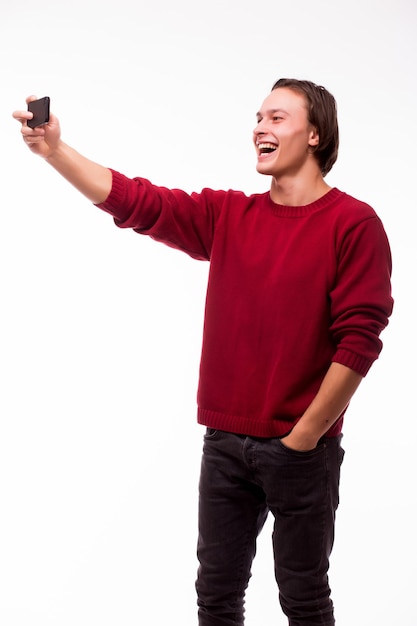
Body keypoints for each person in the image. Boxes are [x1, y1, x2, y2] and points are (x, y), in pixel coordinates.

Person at [13, 78, 393, 626]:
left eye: (278, 118)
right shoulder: (229, 216)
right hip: (225, 445)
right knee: (216, 598)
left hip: (302, 451)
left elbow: (360, 340)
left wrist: (305, 436)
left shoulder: (353, 223)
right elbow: (136, 201)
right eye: (259, 117)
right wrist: (54, 151)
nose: (260, 126)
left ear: (315, 134)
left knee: (304, 600)